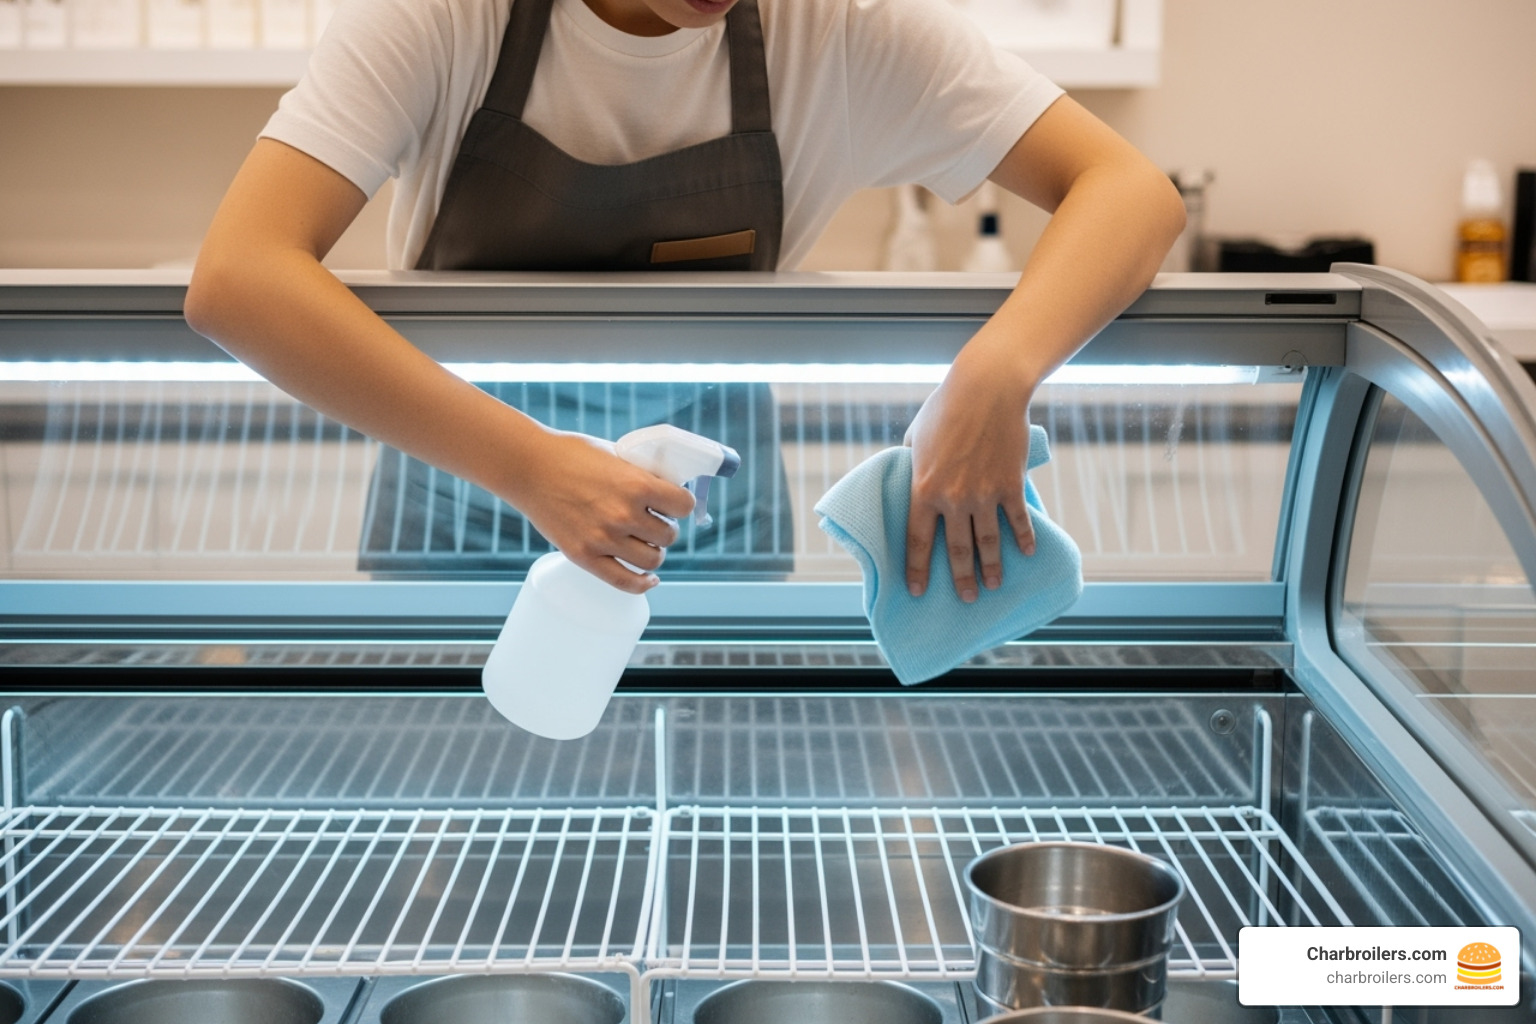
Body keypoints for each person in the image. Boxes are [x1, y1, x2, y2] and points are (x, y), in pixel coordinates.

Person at [184, 0, 1185, 600]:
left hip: (709, 538)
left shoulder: (834, 29)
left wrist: (997, 371)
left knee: (713, 872)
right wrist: (534, 469)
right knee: (458, 878)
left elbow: (1130, 191)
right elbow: (241, 276)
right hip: (464, 517)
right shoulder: (446, 17)